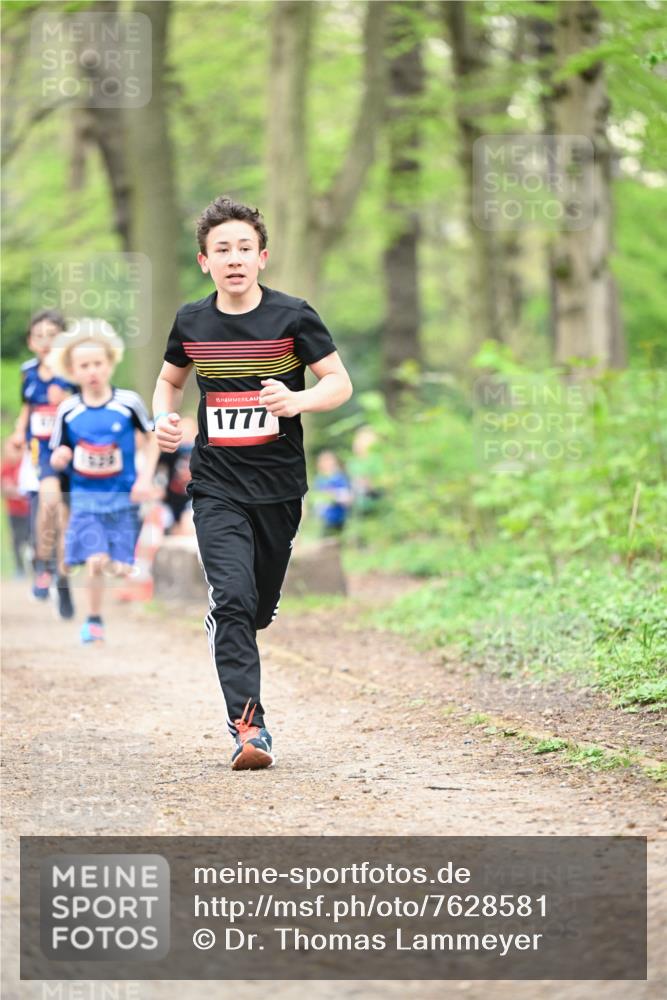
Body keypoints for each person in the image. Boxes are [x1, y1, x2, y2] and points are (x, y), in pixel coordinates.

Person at [153, 195, 353, 771]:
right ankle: (250, 729)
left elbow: (338, 382)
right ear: (204, 261)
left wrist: (297, 399)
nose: (234, 258)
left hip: (280, 487)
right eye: (222, 250)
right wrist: (162, 419)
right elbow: (169, 383)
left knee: (257, 606)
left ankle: (243, 609)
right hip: (215, 484)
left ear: (262, 257)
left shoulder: (293, 316)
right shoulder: (191, 321)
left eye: (244, 248)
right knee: (234, 599)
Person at [48, 319, 160, 644]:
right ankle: (94, 620)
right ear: (73, 370)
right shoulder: (68, 410)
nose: (92, 371)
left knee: (119, 567)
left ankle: (120, 568)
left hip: (124, 496)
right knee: (95, 562)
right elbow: (58, 450)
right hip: (85, 497)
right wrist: (60, 458)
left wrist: (145, 477)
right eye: (84, 365)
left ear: (110, 363)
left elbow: (151, 439)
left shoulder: (128, 403)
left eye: (98, 363)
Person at [11, 309, 76, 615]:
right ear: (30, 342)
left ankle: (62, 580)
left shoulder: (76, 369)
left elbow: (89, 404)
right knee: (48, 503)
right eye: (40, 336)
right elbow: (27, 408)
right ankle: (42, 564)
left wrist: (64, 401)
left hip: (74, 450)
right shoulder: (28, 371)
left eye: (53, 336)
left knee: (65, 519)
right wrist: (18, 433)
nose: (46, 342)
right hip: (43, 450)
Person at [1, 437, 32, 576]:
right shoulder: (5, 467)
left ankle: (36, 566)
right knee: (15, 539)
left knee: (31, 538)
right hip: (13, 511)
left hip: (28, 510)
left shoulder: (26, 467)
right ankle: (19, 568)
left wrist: (16, 490)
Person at [313, 450, 353, 536]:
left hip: (340, 517)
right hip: (325, 518)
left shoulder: (339, 478)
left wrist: (334, 495)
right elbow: (316, 499)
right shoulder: (319, 480)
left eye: (329, 461)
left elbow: (347, 497)